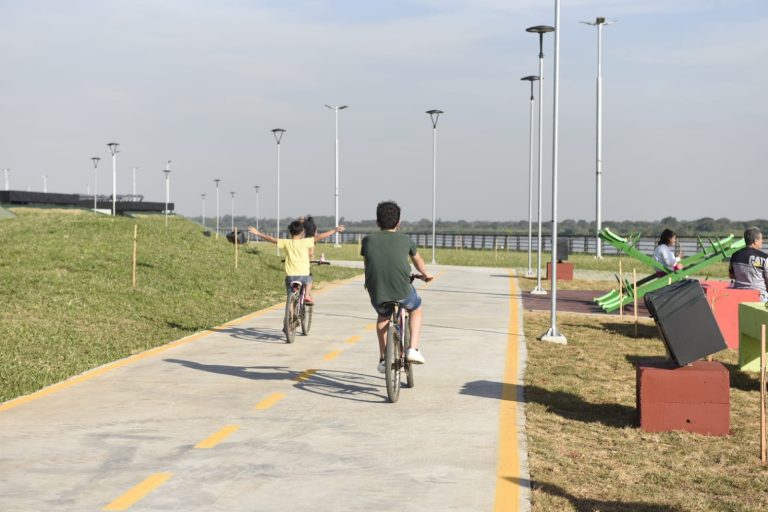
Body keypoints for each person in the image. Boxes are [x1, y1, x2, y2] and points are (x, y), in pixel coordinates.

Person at [361, 201, 434, 374]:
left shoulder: (367, 240)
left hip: (377, 292)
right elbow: (418, 261)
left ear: (377, 222)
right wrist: (425, 274)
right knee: (416, 308)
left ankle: (383, 359)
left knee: (382, 319)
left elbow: (367, 264)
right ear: (398, 221)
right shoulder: (406, 240)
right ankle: (413, 349)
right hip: (402, 290)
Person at [248, 220, 344, 305]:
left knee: (290, 298)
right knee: (309, 280)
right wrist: (335, 230)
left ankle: (289, 321)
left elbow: (271, 239)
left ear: (290, 231)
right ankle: (306, 295)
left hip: (291, 276)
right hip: (304, 275)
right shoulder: (305, 242)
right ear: (302, 232)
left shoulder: (286, 242)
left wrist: (258, 233)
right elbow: (320, 237)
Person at [729, 227, 768, 302]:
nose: (762, 241)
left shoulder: (735, 255)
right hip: (759, 296)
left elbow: (731, 275)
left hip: (739, 295)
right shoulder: (764, 257)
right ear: (755, 241)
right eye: (761, 239)